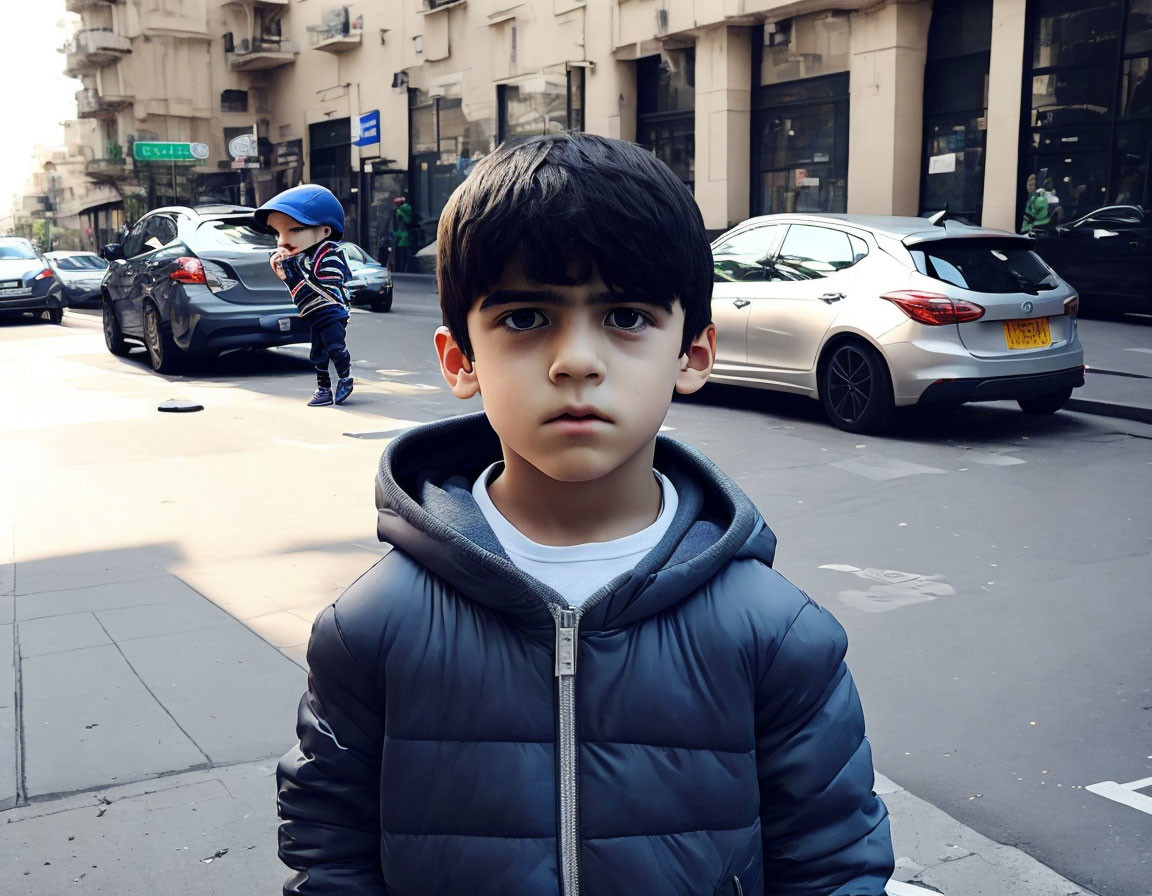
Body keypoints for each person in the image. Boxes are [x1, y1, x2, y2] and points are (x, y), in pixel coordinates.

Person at [276, 133, 894, 895]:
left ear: (693, 354)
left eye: (626, 316)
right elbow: (328, 846)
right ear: (459, 360)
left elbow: (834, 864)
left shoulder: (776, 634)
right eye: (526, 318)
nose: (577, 360)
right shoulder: (373, 626)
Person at [256, 184, 355, 407]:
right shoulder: (301, 260)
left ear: (325, 231)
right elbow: (300, 291)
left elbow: (324, 283)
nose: (282, 241)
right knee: (317, 352)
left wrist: (290, 272)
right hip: (314, 314)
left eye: (295, 230)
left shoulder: (330, 256)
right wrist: (286, 272)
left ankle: (345, 379)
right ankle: (323, 389)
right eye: (278, 233)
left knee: (335, 346)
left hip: (331, 312)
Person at [389, 195, 414, 272]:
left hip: (403, 236)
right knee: (400, 254)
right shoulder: (396, 211)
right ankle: (400, 268)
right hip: (400, 236)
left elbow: (408, 221)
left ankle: (403, 268)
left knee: (403, 254)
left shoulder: (404, 210)